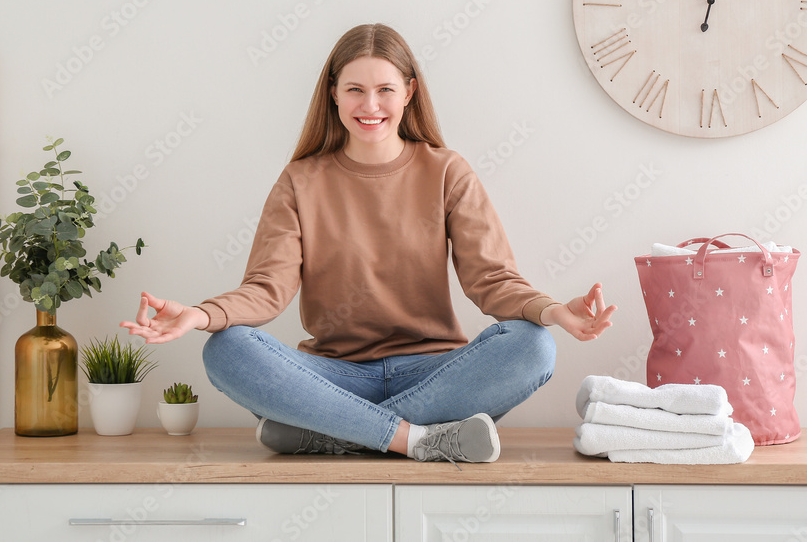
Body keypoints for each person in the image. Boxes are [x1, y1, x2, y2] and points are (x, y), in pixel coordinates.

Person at [121, 23, 615, 464]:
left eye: (385, 89)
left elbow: (492, 279)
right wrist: (199, 315)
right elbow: (266, 288)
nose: (370, 105)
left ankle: (334, 433)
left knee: (532, 345)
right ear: (333, 94)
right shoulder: (300, 181)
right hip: (331, 375)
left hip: (435, 375)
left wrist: (553, 312)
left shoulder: (447, 172)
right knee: (226, 349)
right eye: (355, 89)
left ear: (409, 93)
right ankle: (416, 440)